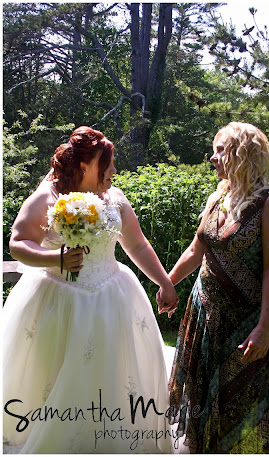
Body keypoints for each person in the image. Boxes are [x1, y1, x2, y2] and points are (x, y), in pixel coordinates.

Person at [2, 126, 176, 453]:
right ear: (84, 166)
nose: (113, 170)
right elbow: (17, 243)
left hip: (112, 298)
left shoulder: (115, 199)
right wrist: (56, 258)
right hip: (58, 302)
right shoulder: (48, 196)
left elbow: (137, 246)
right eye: (106, 163)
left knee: (109, 377)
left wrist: (164, 282)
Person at [166, 122, 269, 453]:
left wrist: (264, 328)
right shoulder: (217, 197)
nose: (212, 157)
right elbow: (197, 250)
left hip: (245, 324)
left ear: (242, 153)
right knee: (203, 403)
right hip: (204, 316)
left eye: (220, 150)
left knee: (243, 406)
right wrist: (168, 283)